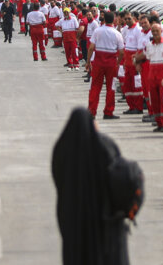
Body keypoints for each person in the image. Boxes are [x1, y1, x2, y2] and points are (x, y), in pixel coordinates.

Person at [51, 107, 130, 265]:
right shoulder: (105, 146)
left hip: (73, 216)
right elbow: (121, 174)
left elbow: (57, 176)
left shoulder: (62, 149)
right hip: (105, 217)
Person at [88, 13, 124, 119]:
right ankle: (108, 112)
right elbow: (121, 52)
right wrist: (117, 63)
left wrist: (88, 61)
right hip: (111, 64)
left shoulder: (97, 31)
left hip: (98, 62)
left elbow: (91, 48)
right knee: (110, 88)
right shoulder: (117, 34)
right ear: (113, 20)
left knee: (95, 87)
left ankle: (91, 112)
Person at [137, 22, 163, 129]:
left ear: (161, 31)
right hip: (152, 77)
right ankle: (158, 123)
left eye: (156, 31)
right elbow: (144, 57)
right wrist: (137, 62)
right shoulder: (149, 45)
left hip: (162, 77)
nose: (154, 33)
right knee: (154, 100)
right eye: (153, 31)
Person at [120, 14, 145, 114]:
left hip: (135, 63)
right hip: (128, 63)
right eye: (125, 19)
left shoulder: (138, 30)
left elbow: (139, 48)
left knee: (136, 87)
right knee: (128, 86)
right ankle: (131, 106)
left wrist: (137, 62)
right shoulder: (127, 29)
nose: (127, 20)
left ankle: (138, 107)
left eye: (129, 18)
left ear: (134, 19)